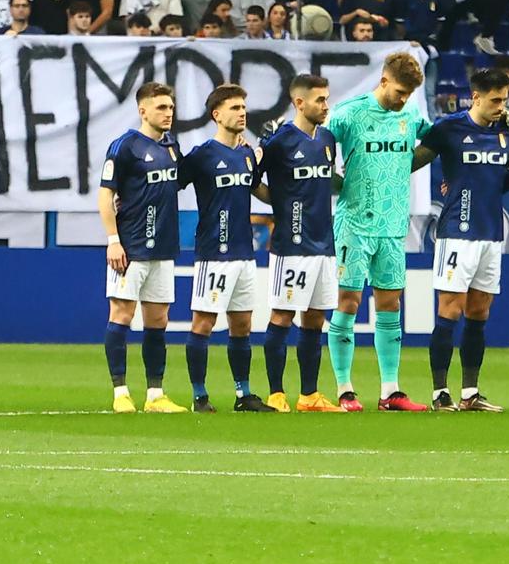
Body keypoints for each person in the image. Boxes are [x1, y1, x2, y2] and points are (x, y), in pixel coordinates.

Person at [324, 51, 434, 412]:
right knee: (349, 302)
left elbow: (432, 145)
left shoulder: (411, 114)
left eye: (408, 94)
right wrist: (334, 181)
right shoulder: (348, 113)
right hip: (354, 224)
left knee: (390, 303)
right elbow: (314, 147)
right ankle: (345, 389)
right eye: (399, 91)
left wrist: (405, 165)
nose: (402, 100)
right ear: (384, 80)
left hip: (392, 225)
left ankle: (391, 391)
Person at [419, 66, 509, 412]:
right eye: (495, 100)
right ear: (476, 97)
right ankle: (439, 392)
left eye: (504, 99)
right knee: (450, 310)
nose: (501, 106)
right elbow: (413, 162)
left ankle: (470, 393)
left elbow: (504, 178)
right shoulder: (448, 128)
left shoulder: (505, 133)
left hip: (491, 234)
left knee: (479, 312)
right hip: (457, 234)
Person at [181, 84, 274, 413]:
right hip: (213, 253)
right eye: (235, 107)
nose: (242, 112)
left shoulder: (247, 154)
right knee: (203, 324)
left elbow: (258, 190)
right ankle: (199, 396)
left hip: (244, 253)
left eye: (243, 107)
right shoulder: (202, 154)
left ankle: (243, 394)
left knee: (242, 325)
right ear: (217, 115)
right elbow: (172, 183)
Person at [256, 74, 345, 413]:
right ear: (299, 103)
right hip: (291, 243)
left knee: (315, 317)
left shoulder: (327, 139)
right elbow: (252, 181)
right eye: (320, 100)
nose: (325, 106)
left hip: (324, 242)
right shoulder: (279, 141)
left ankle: (309, 395)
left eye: (326, 99)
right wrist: (281, 205)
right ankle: (276, 393)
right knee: (282, 314)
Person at [99, 81, 189, 413]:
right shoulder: (124, 147)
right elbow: (105, 194)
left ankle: (155, 395)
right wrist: (113, 240)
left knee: (158, 320)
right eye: (161, 107)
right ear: (143, 110)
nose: (168, 113)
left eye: (170, 107)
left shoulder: (171, 147)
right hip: (131, 246)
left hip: (164, 247)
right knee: (121, 314)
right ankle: (120, 392)